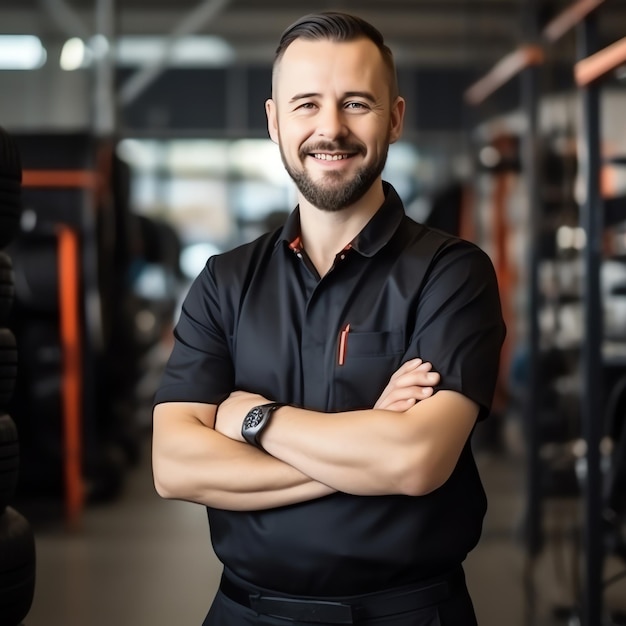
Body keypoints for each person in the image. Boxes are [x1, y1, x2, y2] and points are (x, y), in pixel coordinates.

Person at [152, 11, 505, 626]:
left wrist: (253, 419)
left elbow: (414, 461)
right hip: (244, 613)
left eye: (356, 103)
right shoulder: (224, 281)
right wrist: (365, 443)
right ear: (274, 121)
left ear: (394, 117)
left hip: (407, 613)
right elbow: (175, 464)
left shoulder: (451, 274)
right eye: (307, 104)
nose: (330, 129)